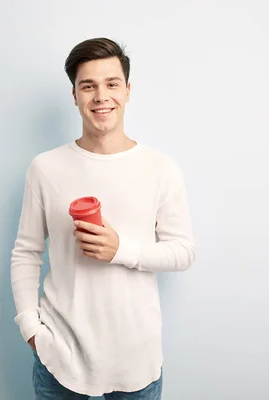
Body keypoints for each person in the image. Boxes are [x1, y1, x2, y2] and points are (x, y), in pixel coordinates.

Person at [10, 37, 196, 399]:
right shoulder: (45, 168)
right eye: (88, 86)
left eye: (111, 84)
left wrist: (121, 249)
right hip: (58, 357)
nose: (101, 96)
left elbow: (183, 251)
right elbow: (26, 252)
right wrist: (30, 327)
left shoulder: (160, 169)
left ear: (127, 91)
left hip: (136, 359)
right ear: (74, 95)